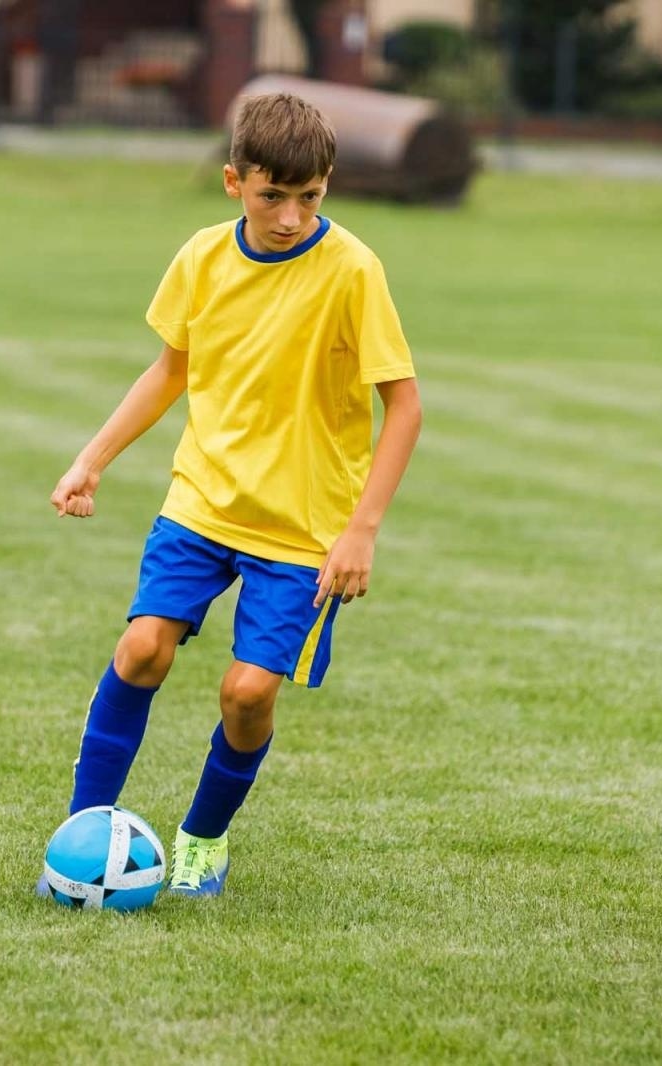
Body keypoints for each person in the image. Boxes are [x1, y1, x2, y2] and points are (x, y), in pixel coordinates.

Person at [41, 92, 421, 898]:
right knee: (143, 648)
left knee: (247, 694)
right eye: (271, 196)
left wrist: (363, 530)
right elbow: (169, 372)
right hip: (202, 500)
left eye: (309, 197)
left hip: (305, 526)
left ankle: (204, 839)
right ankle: (81, 839)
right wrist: (92, 459)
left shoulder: (353, 270)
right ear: (233, 182)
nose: (290, 216)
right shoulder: (203, 259)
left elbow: (406, 406)